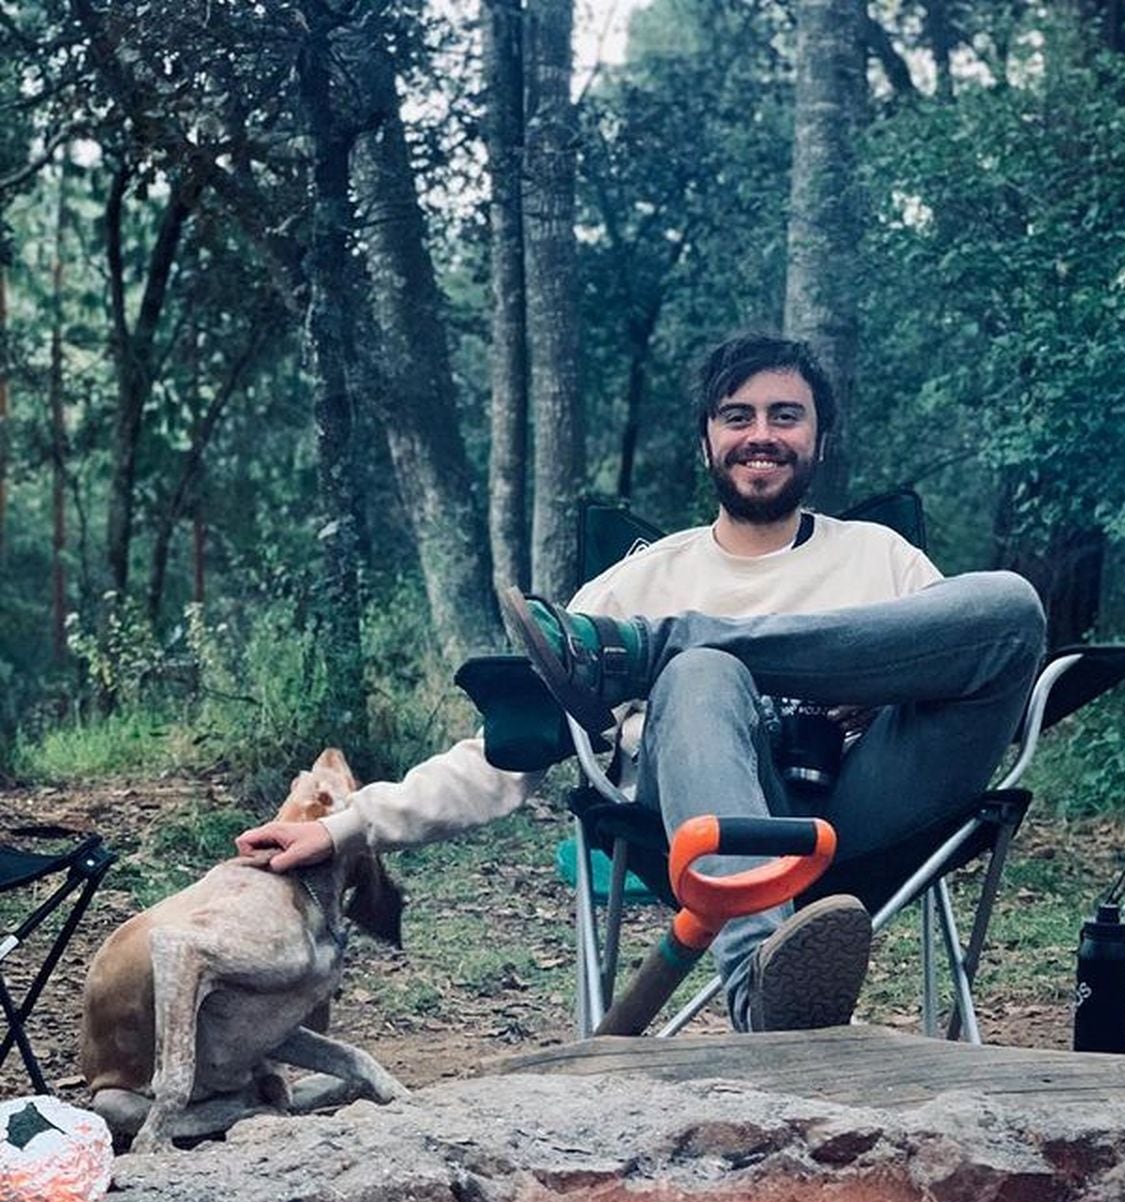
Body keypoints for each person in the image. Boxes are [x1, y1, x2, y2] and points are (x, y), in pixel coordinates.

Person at [237, 331, 1046, 1033]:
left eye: (785, 416)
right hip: (697, 834)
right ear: (706, 443)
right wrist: (348, 827)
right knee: (698, 676)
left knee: (1011, 606)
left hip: (874, 814)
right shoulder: (638, 581)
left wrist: (873, 690)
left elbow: (969, 667)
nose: (760, 435)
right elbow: (508, 753)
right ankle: (762, 989)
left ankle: (666, 648)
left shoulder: (882, 557)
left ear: (820, 440)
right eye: (738, 416)